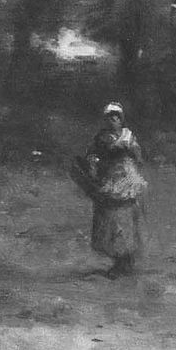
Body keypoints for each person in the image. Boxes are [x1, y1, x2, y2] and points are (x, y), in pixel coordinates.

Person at [74, 102, 147, 278]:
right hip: (109, 181)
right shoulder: (102, 138)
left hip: (126, 182)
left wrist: (132, 151)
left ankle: (126, 259)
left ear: (121, 119)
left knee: (127, 218)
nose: (113, 120)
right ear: (105, 120)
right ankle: (118, 259)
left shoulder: (128, 136)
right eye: (110, 117)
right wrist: (95, 163)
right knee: (111, 220)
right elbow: (92, 157)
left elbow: (139, 157)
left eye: (116, 117)